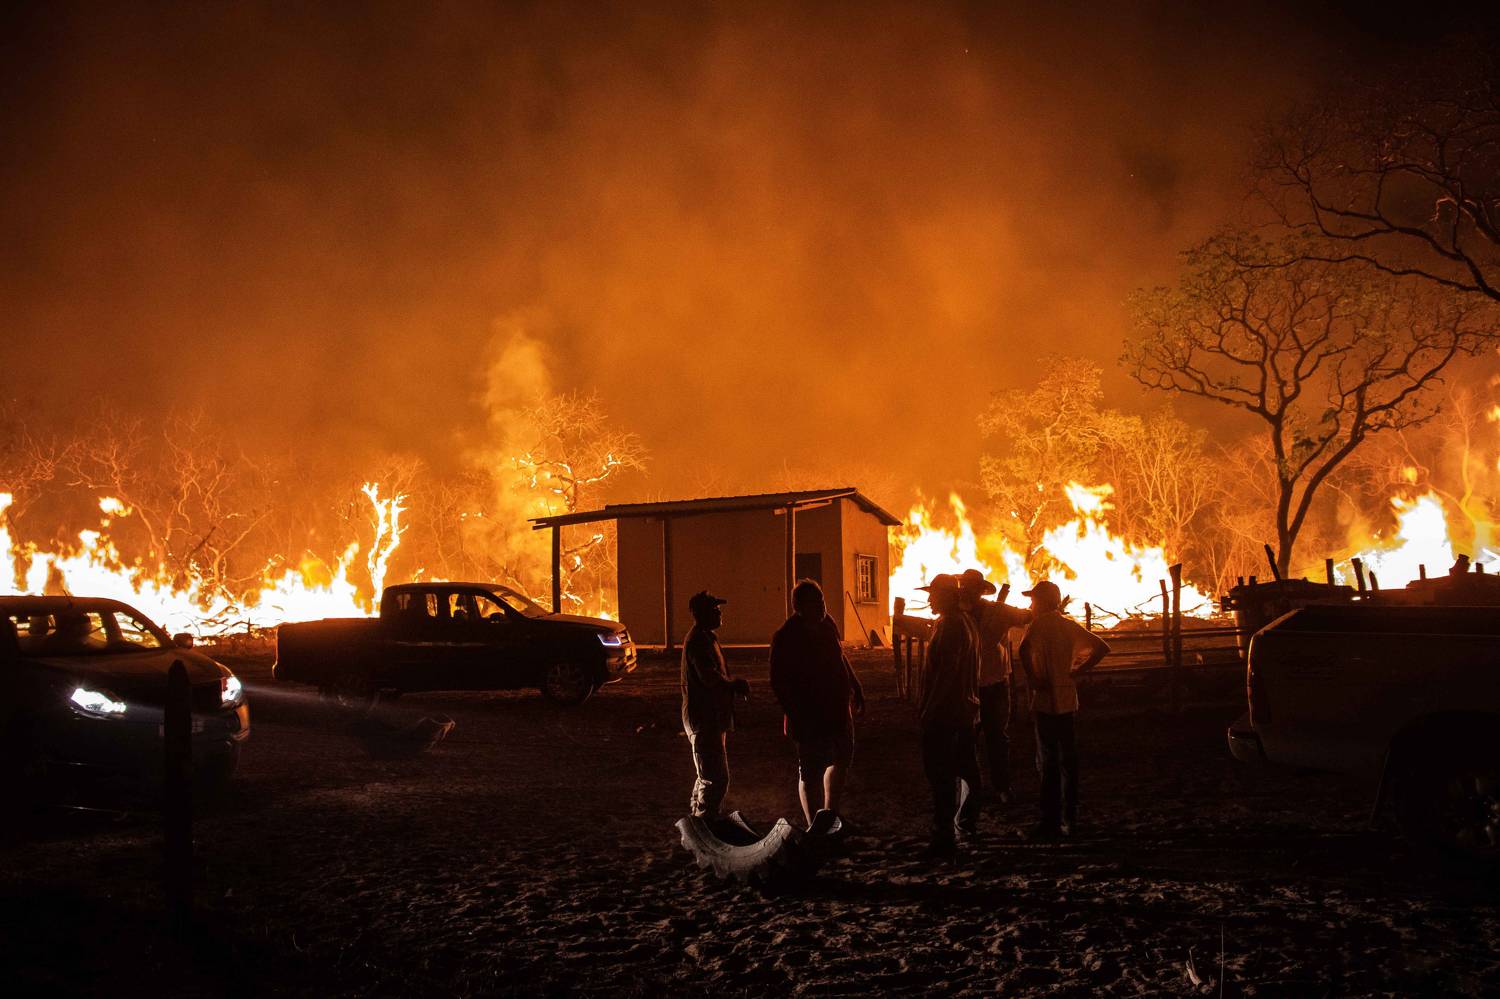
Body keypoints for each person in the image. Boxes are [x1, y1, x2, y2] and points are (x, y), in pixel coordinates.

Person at [1017, 580, 1110, 841]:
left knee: (1047, 762)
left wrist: (1034, 678)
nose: (1031, 606)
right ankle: (1070, 819)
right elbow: (1102, 647)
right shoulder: (1069, 625)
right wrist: (1078, 671)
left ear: (1043, 602)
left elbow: (1023, 650)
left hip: (1046, 701)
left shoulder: (1037, 625)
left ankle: (1049, 821)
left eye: (1033, 600)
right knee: (1069, 761)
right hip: (1067, 700)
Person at [770, 579, 866, 826]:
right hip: (808, 714)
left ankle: (830, 814)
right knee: (810, 770)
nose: (822, 606)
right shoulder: (787, 636)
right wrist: (796, 714)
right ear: (800, 606)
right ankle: (813, 823)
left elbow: (839, 656)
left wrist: (855, 685)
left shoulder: (827, 624)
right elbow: (779, 681)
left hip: (837, 709)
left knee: (840, 759)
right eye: (815, 602)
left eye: (822, 600)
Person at [916, 573, 983, 857]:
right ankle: (965, 823)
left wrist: (929, 709)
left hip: (947, 713)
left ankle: (944, 834)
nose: (930, 599)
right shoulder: (966, 622)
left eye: (933, 594)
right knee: (966, 768)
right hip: (965, 711)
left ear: (946, 596)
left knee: (941, 775)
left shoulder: (950, 625)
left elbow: (947, 672)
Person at [959, 568, 1032, 807]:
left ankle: (1002, 786)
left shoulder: (998, 611)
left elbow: (1026, 617)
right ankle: (971, 788)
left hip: (994, 685)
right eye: (964, 586)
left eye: (970, 587)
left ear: (980, 591)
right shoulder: (957, 614)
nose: (966, 590)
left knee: (996, 738)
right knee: (966, 739)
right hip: (967, 686)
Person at [680, 590, 750, 820]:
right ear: (700, 614)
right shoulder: (698, 641)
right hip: (704, 719)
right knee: (715, 778)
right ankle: (704, 822)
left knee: (708, 774)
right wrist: (733, 685)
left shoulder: (706, 638)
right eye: (714, 610)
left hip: (710, 718)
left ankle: (699, 819)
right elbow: (709, 677)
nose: (719, 613)